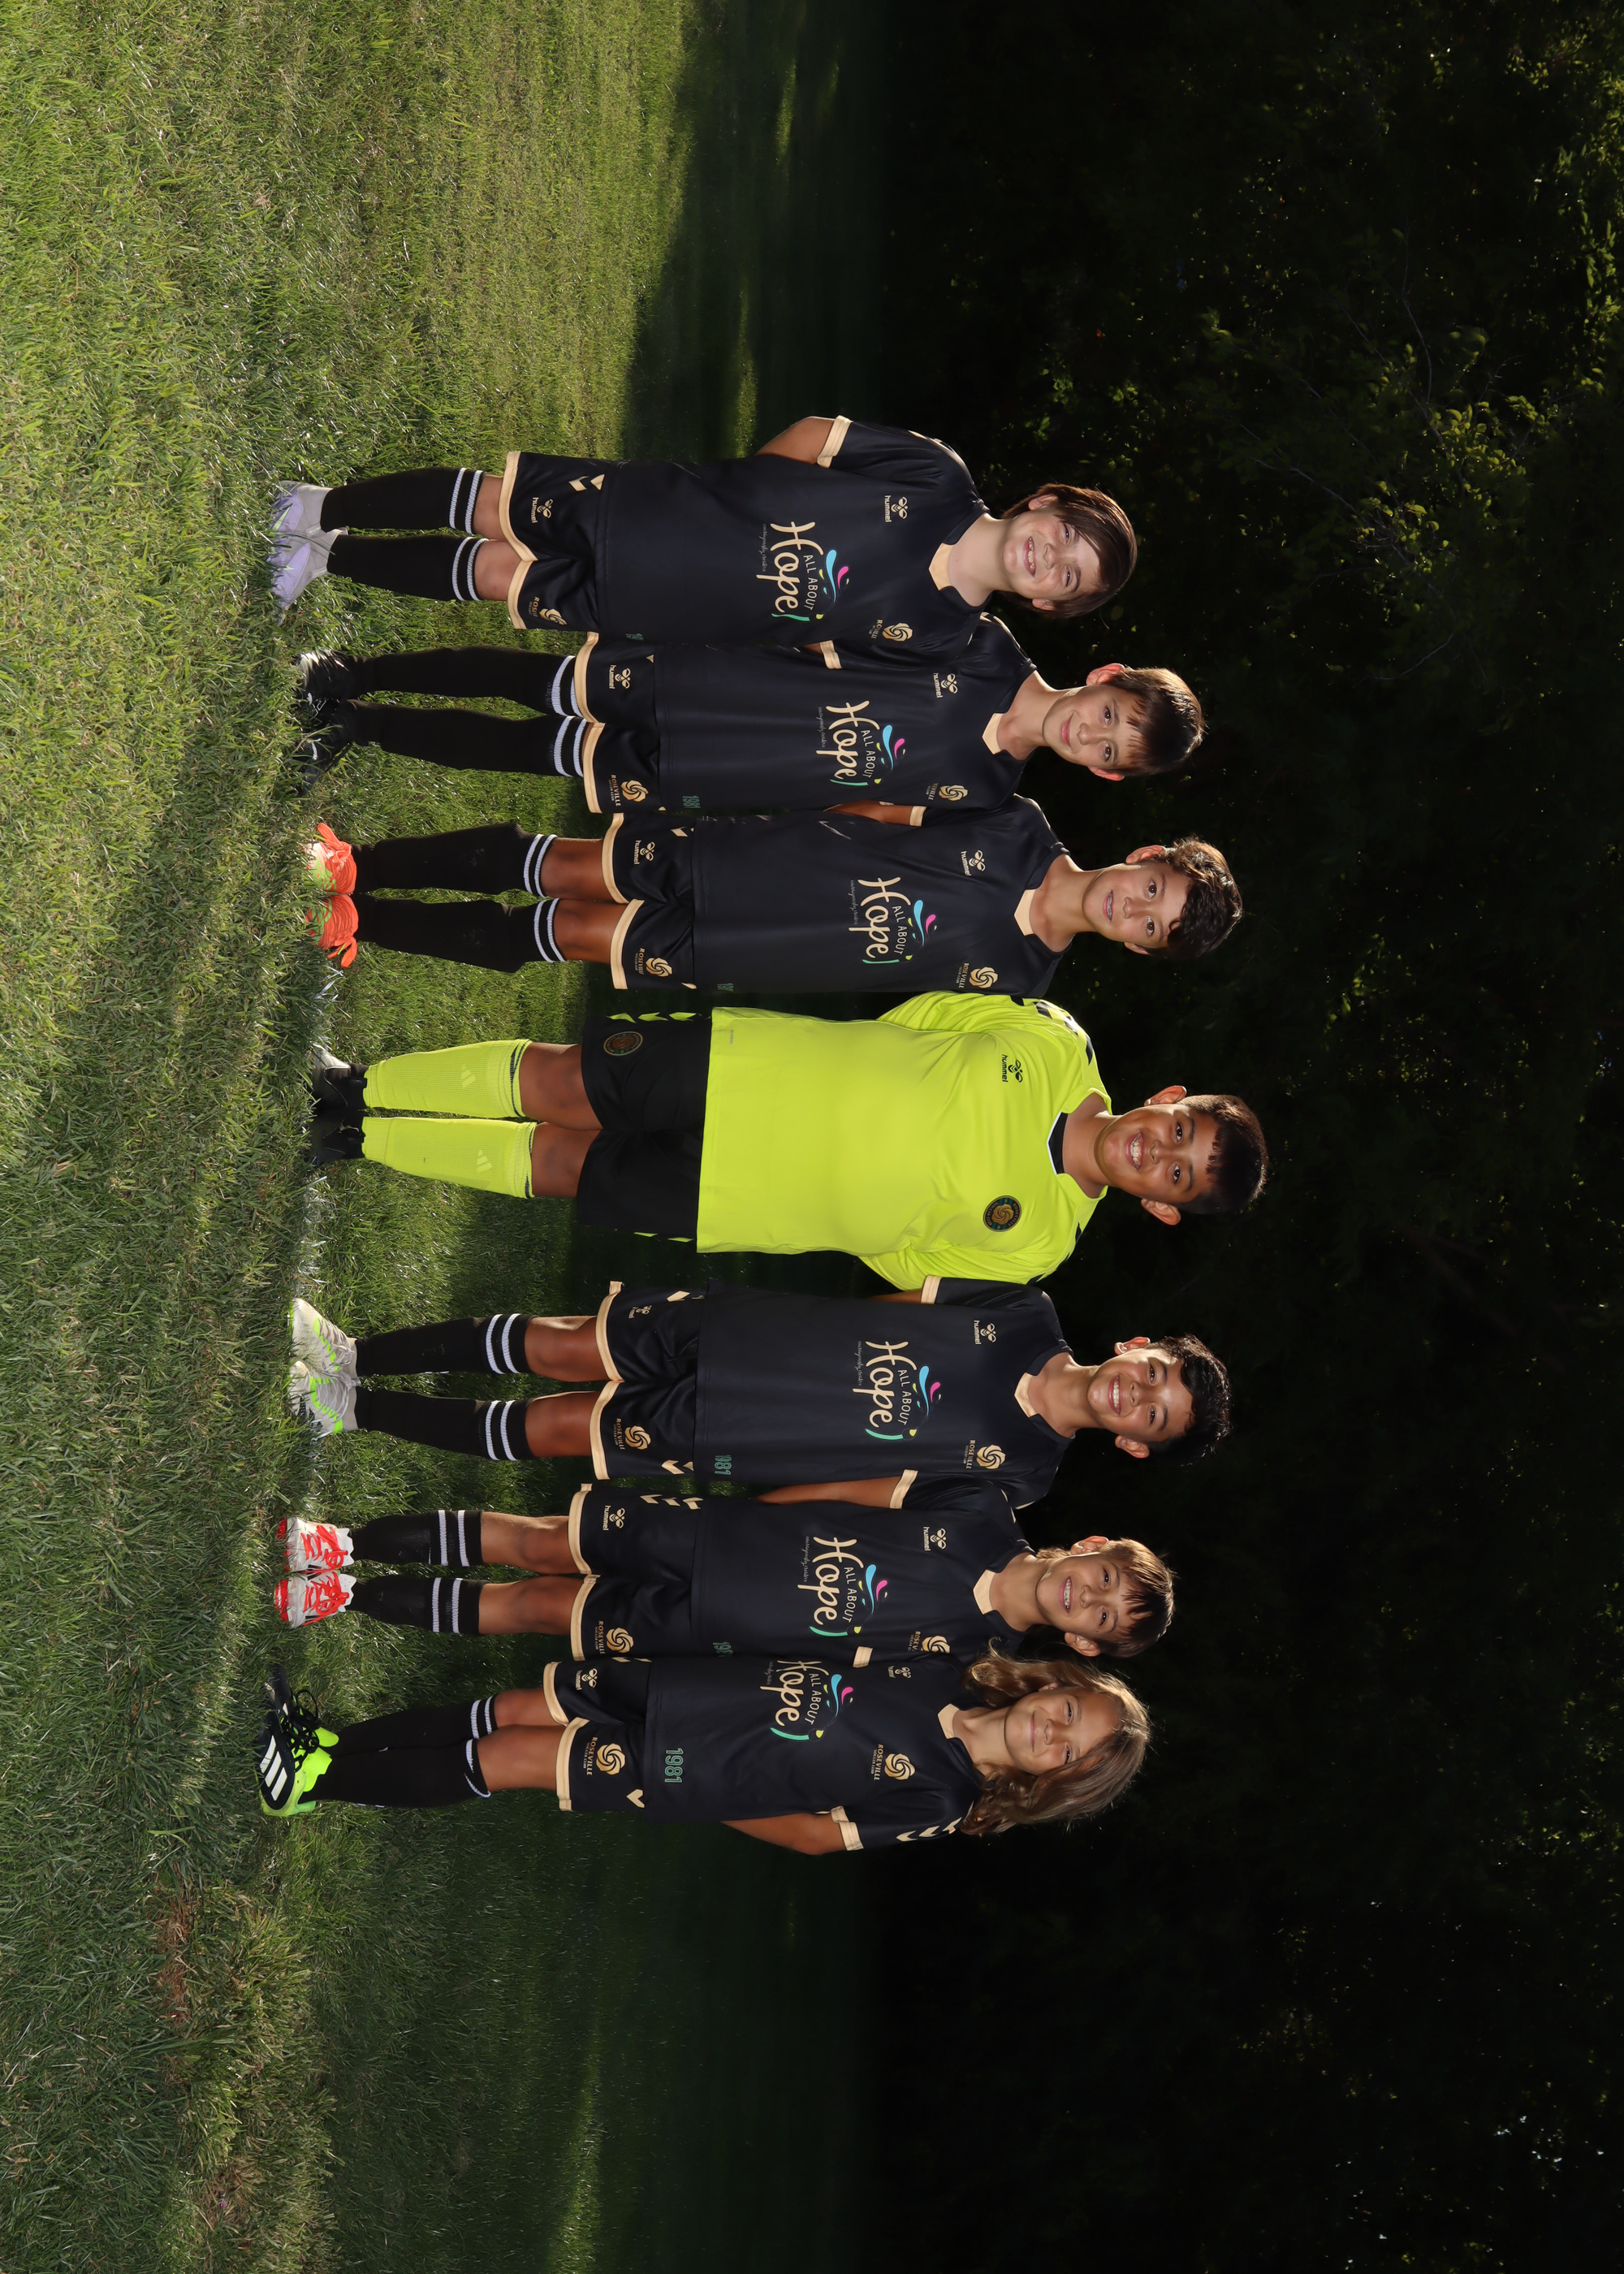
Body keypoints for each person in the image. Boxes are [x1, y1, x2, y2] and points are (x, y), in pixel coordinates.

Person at [304, 998, 1269, 1285]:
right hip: (760, 1067)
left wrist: (850, 1193)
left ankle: (357, 1142)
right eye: (1177, 1131)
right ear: (1166, 1098)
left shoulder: (1038, 1245)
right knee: (566, 1080)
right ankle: (359, 1086)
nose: (1158, 1152)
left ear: (1160, 1206)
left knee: (565, 1166)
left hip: (749, 1201)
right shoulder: (1055, 1040)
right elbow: (924, 1018)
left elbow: (906, 1258)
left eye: (1175, 1176)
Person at [269, 420, 1137, 660]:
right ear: (1044, 502)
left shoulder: (945, 635)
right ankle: (317, 504)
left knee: (500, 578)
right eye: (1063, 535)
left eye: (1066, 576)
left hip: (675, 605)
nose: (1049, 557)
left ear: (1046, 603)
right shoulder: (938, 476)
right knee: (499, 509)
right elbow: (816, 437)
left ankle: (327, 555)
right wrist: (737, 499)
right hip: (671, 513)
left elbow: (822, 649)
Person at [283, 1282, 1231, 1502]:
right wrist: (794, 1323)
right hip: (760, 1337)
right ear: (1135, 1346)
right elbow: (899, 1304)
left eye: (1151, 1416)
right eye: (1152, 1373)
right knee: (561, 1342)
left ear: (1134, 1443)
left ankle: (352, 1408)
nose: (1134, 1394)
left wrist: (776, 1490)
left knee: (554, 1426)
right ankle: (354, 1353)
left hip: (753, 1431)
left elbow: (877, 1492)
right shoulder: (1026, 1309)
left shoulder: (1021, 1475)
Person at [252, 1649, 1150, 1849]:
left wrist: (702, 1792)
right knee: (516, 1708)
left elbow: (813, 1835)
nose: (1052, 1730)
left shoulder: (943, 1803)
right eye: (1069, 1711)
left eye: (1066, 1751)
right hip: (697, 1691)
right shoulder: (954, 1669)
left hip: (693, 1769)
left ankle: (310, 1786)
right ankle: (325, 1744)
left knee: (511, 1757)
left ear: (1053, 1782)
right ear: (1055, 1685)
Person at [299, 806, 1242, 993]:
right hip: (758, 860)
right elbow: (881, 804)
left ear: (1138, 948)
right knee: (563, 868)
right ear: (1142, 855)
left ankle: (363, 923)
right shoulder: (1017, 824)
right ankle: (356, 862)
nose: (1133, 909)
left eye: (1149, 927)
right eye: (1150, 889)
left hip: (759, 952)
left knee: (561, 934)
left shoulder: (1019, 985)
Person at [292, 631, 1203, 810]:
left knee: (529, 750)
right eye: (1109, 714)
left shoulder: (988, 792)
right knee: (539, 683)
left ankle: (358, 729)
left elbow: (869, 809)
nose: (1092, 734)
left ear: (1105, 771)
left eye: (1111, 749)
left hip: (727, 772)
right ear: (1103, 677)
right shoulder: (981, 645)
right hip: (723, 687)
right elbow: (840, 627)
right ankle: (352, 674)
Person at [273, 1493, 1176, 1667]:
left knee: (538, 1607)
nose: (1088, 1596)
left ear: (1082, 1641)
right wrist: (747, 1508)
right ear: (1089, 1546)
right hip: (723, 1535)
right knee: (542, 1542)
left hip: (719, 1626)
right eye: (1102, 1577)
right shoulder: (980, 1508)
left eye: (1100, 1615)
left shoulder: (974, 1659)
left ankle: (344, 1595)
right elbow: (858, 1487)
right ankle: (343, 1540)